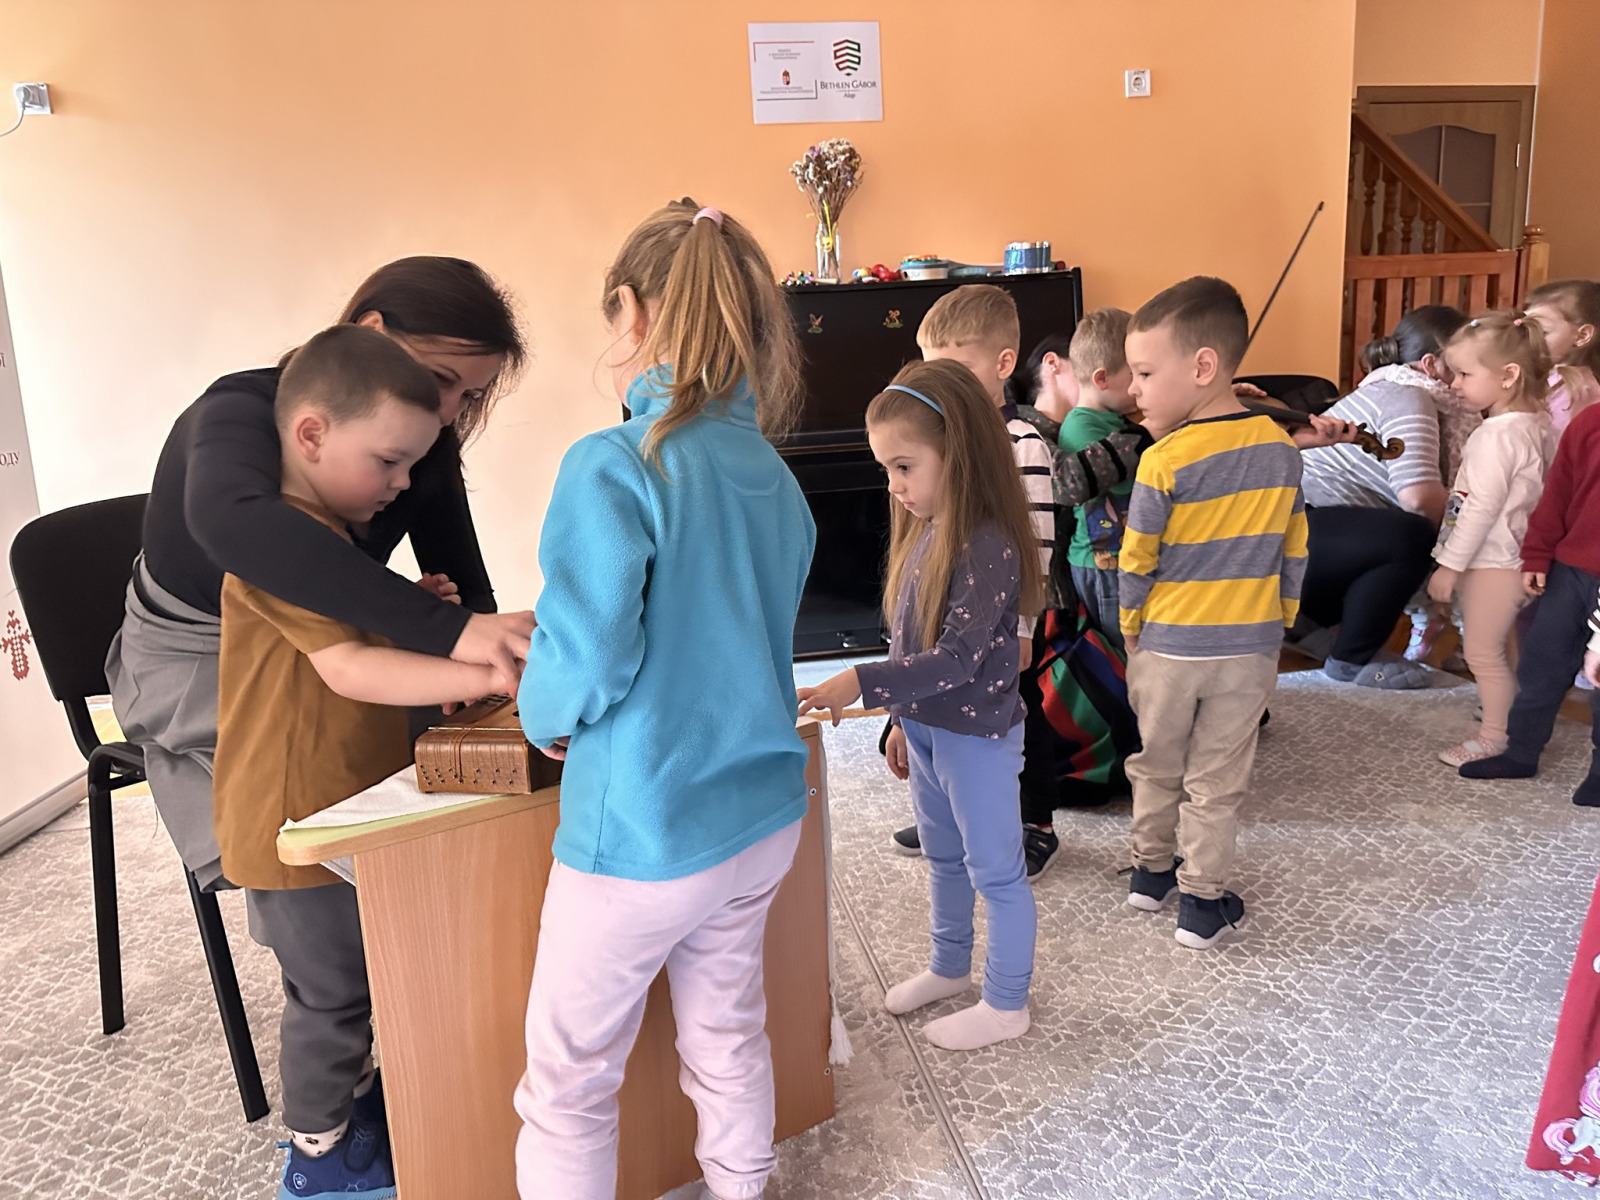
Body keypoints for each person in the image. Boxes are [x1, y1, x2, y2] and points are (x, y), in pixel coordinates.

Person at [510, 201, 815, 1200]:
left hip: (645, 826)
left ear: (631, 312)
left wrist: (542, 717)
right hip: (761, 815)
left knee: (568, 1083)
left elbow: (588, 656)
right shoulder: (775, 476)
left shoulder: (613, 463)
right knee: (727, 1035)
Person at [107, 257, 535, 892]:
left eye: (469, 396)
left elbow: (460, 575)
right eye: (440, 380)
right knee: (316, 798)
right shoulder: (238, 410)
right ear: (371, 330)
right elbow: (237, 526)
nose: (449, 412)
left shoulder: (422, 438)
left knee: (451, 781)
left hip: (328, 634)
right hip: (205, 651)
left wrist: (481, 663)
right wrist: (450, 634)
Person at [211, 326, 505, 1199]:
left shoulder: (331, 541)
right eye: (388, 461)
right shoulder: (281, 543)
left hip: (340, 807)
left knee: (363, 975)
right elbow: (347, 667)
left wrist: (407, 602)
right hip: (294, 818)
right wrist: (481, 668)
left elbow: (344, 635)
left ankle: (355, 1107)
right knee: (331, 994)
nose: (403, 484)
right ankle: (318, 1159)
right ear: (311, 435)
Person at [800, 357, 1044, 1048]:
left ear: (957, 455)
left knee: (996, 871)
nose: (893, 485)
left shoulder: (989, 544)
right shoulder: (927, 531)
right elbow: (912, 641)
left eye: (904, 466)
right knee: (942, 857)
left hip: (979, 739)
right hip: (932, 732)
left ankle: (1007, 1004)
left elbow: (957, 658)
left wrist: (862, 683)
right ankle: (949, 966)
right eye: (886, 469)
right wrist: (902, 723)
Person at [1118, 277, 1307, 949]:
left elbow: (1136, 559)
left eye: (1145, 373)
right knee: (1217, 779)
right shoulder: (1283, 449)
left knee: (1156, 761)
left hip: (1167, 646)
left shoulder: (1162, 459)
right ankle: (1202, 903)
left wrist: (1131, 630)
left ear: (1203, 366)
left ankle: (1150, 874)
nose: (1133, 389)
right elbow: (1294, 549)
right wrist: (1279, 625)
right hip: (1248, 647)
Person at [886, 285, 1060, 876]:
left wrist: (1025, 625)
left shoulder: (1022, 443)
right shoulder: (938, 442)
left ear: (1003, 364)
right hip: (951, 606)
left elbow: (1036, 538)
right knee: (943, 703)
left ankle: (1034, 823)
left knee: (1017, 715)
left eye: (954, 369)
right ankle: (950, 808)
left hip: (1006, 619)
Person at [1296, 305, 1467, 687]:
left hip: (1312, 536)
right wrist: (1465, 541)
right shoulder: (1408, 396)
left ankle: (1307, 628)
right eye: (1464, 366)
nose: (1466, 378)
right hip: (1299, 531)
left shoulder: (1394, 387)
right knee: (1413, 534)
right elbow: (1419, 498)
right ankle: (1351, 660)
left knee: (1405, 534)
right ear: (1431, 364)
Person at [1459, 362, 1600, 805]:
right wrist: (1538, 554)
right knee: (1541, 664)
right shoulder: (1589, 424)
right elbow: (1557, 496)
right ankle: (1520, 752)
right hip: (1572, 571)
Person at [1427, 312, 1561, 766]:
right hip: (1519, 557)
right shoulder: (1537, 424)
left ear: (1508, 376)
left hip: (1492, 560)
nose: (1455, 384)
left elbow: (1480, 507)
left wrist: (1450, 565)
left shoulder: (1495, 436)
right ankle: (1511, 718)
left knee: (1483, 652)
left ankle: (1495, 737)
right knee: (1506, 648)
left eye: (1465, 374)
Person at [1058, 306, 1137, 652]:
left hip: (1121, 559)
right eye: (1137, 374)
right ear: (1102, 379)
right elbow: (1123, 476)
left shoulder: (1116, 419)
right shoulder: (1081, 425)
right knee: (1121, 649)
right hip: (1102, 563)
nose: (1141, 385)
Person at [1524, 280, 1600, 434]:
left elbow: (1555, 444)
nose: (1528, 339)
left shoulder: (1573, 391)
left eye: (1542, 332)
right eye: (1526, 331)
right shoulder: (1546, 373)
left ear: (1582, 336)